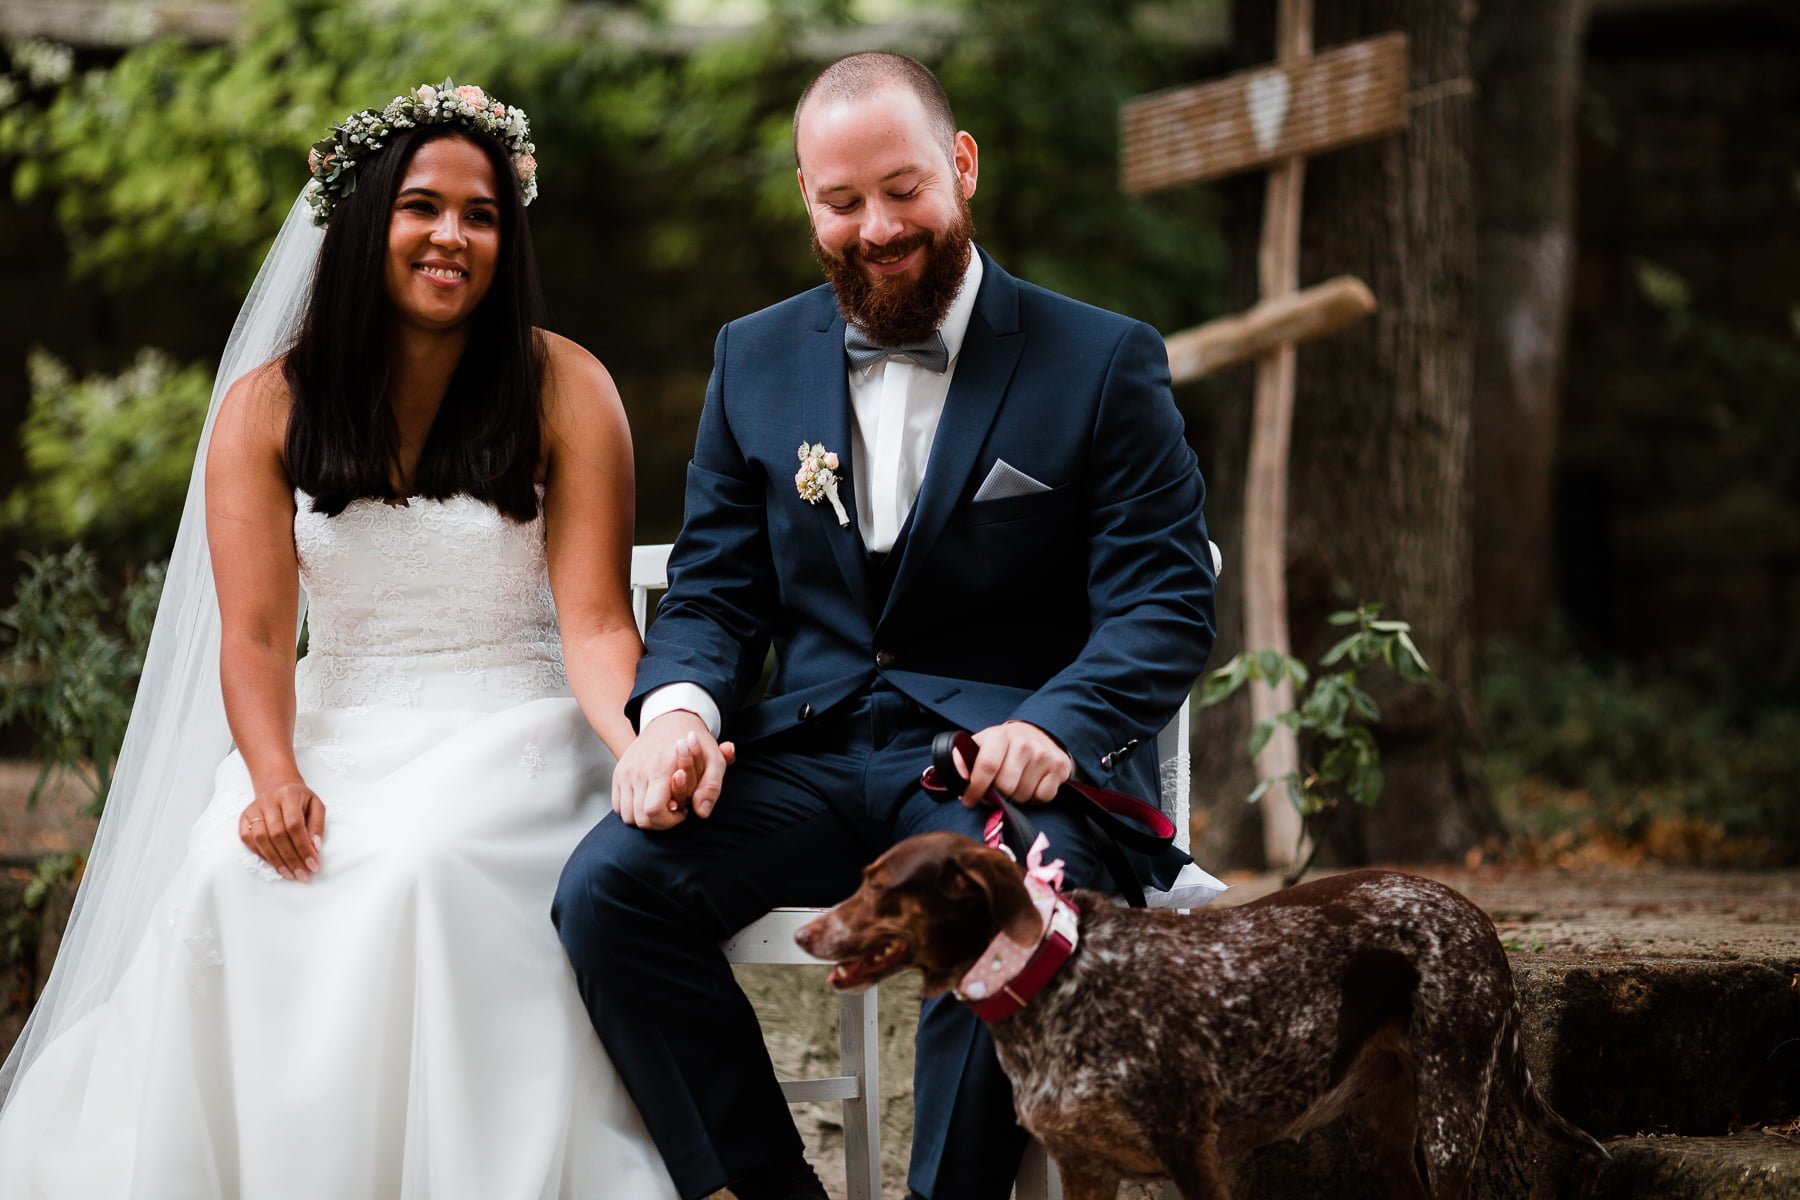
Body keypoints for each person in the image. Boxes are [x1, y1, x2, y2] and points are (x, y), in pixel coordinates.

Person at [554, 51, 1220, 1200]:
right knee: (608, 890)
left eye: (903, 190)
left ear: (960, 167)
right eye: (841, 200)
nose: (876, 228)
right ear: (807, 199)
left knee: (997, 886)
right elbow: (714, 591)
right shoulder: (751, 357)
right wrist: (674, 717)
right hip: (809, 755)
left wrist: (1055, 726)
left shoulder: (1103, 359)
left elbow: (1163, 599)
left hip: (996, 771)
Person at [0, 82, 675, 1199]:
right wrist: (272, 775)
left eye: (483, 214)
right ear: (365, 216)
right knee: (230, 866)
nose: (453, 236)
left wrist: (642, 742)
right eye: (423, 207)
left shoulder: (567, 385)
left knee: (421, 866)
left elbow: (600, 625)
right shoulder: (267, 407)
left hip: (515, 723)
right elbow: (259, 639)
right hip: (334, 717)